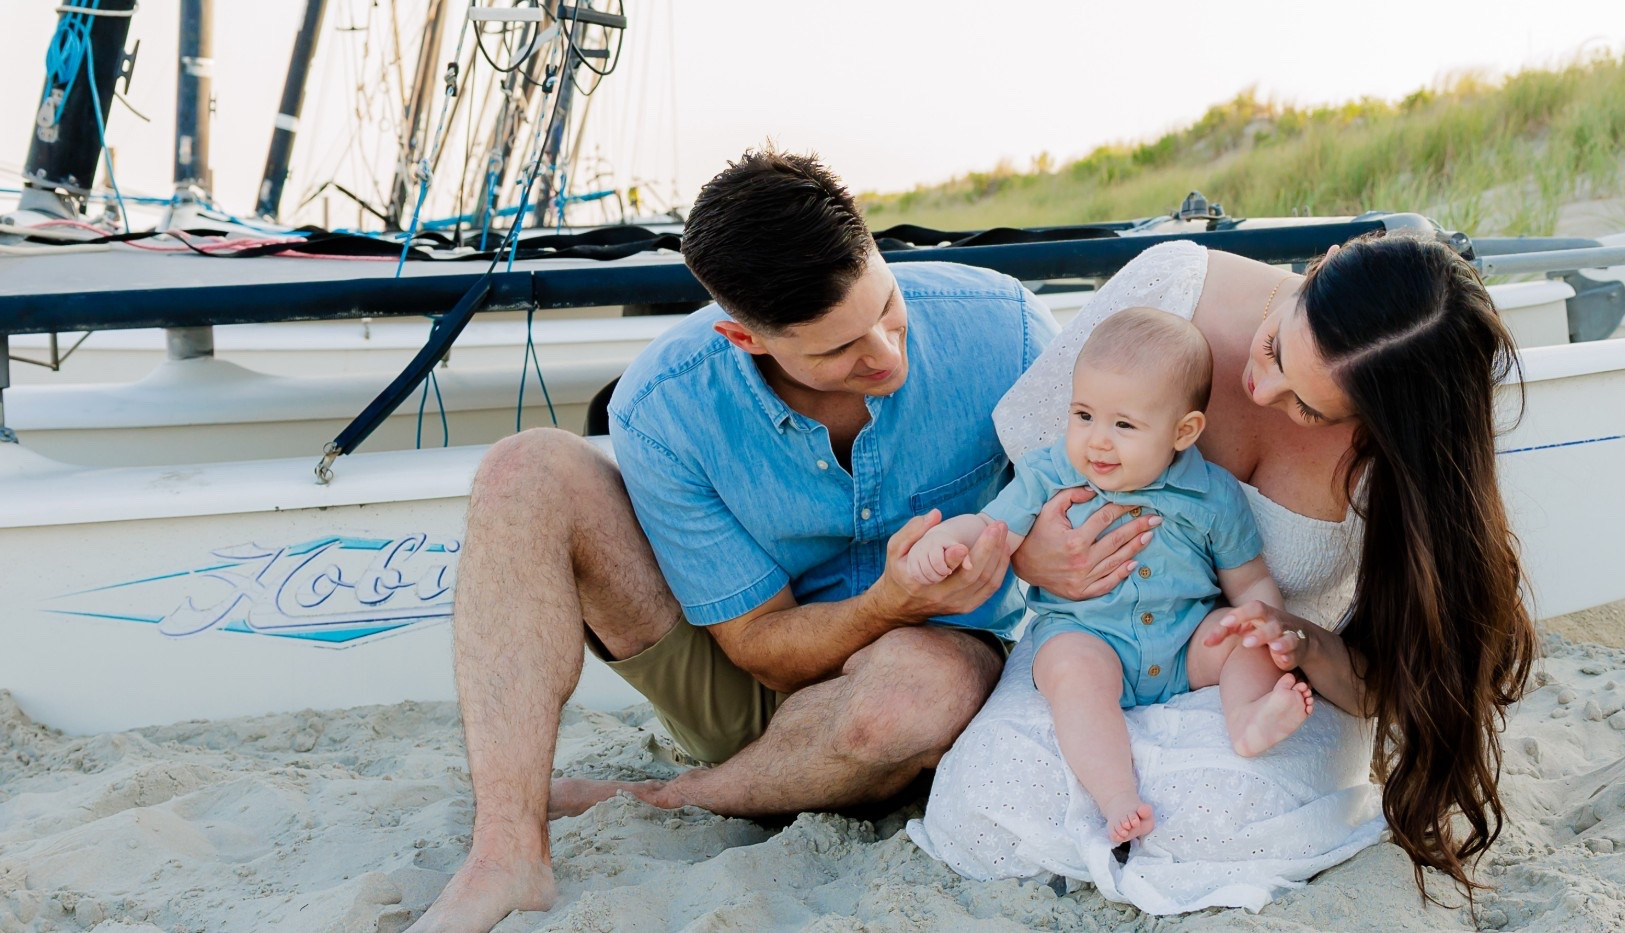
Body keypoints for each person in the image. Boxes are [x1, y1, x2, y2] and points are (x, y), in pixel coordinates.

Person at [411, 150, 1158, 933]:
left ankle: (667, 797)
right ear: (745, 337)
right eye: (840, 350)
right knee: (523, 467)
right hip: (752, 680)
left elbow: (1097, 499)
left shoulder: (1005, 327)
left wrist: (1029, 552)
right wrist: (889, 600)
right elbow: (758, 645)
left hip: (940, 673)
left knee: (910, 696)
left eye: (888, 308)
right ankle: (506, 854)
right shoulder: (662, 407)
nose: (887, 355)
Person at [910, 229, 1537, 917]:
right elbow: (1025, 491)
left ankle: (1204, 769)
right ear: (1320, 262)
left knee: (1230, 803)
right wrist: (1031, 556)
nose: (1260, 386)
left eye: (1308, 406)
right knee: (994, 785)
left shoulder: (1399, 468)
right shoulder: (1170, 289)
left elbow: (1379, 680)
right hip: (1089, 632)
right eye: (1275, 347)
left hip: (1255, 668)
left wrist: (1291, 638)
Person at [903, 307, 1316, 844]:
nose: (1097, 441)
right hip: (1087, 634)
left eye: (1123, 425)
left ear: (1183, 431)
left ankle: (1248, 719)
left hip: (1184, 640)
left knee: (1246, 638)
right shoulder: (1053, 472)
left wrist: (1264, 625)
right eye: (1083, 415)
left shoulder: (1213, 495)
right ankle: (1116, 793)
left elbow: (1251, 581)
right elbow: (989, 526)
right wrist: (945, 542)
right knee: (1073, 674)